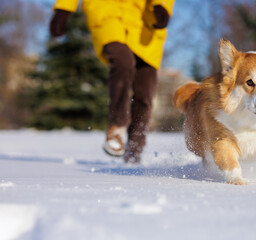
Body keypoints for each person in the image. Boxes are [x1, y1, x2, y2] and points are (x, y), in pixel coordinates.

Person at [50, 0, 175, 163]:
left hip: (145, 21)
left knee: (144, 93)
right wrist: (64, 8)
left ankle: (134, 151)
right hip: (106, 11)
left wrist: (161, 4)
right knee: (123, 62)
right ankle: (117, 125)